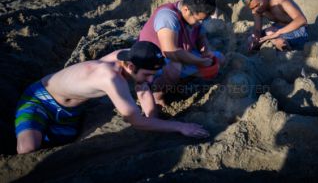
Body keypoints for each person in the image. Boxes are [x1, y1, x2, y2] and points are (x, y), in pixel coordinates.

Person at [15, 41, 209, 154]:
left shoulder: (127, 58)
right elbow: (137, 122)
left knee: (57, 147)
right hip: (40, 100)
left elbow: (142, 88)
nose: (150, 80)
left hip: (71, 113)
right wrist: (181, 126)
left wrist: (154, 120)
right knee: (28, 149)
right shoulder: (109, 77)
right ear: (131, 66)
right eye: (147, 74)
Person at [138, 0, 224, 106]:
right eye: (199, 20)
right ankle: (156, 95)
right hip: (151, 61)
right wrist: (200, 61)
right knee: (175, 68)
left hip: (180, 53)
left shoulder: (196, 14)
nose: (201, 23)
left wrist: (205, 51)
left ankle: (176, 84)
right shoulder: (167, 17)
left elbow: (200, 36)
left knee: (219, 58)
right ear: (185, 9)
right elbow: (170, 52)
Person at [241, 0, 308, 51]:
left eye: (257, 5)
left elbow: (302, 20)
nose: (255, 10)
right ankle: (275, 43)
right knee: (250, 39)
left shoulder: (281, 2)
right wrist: (255, 36)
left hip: (299, 32)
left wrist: (277, 33)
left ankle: (284, 48)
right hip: (279, 29)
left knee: (270, 32)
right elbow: (257, 30)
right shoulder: (257, 10)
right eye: (252, 8)